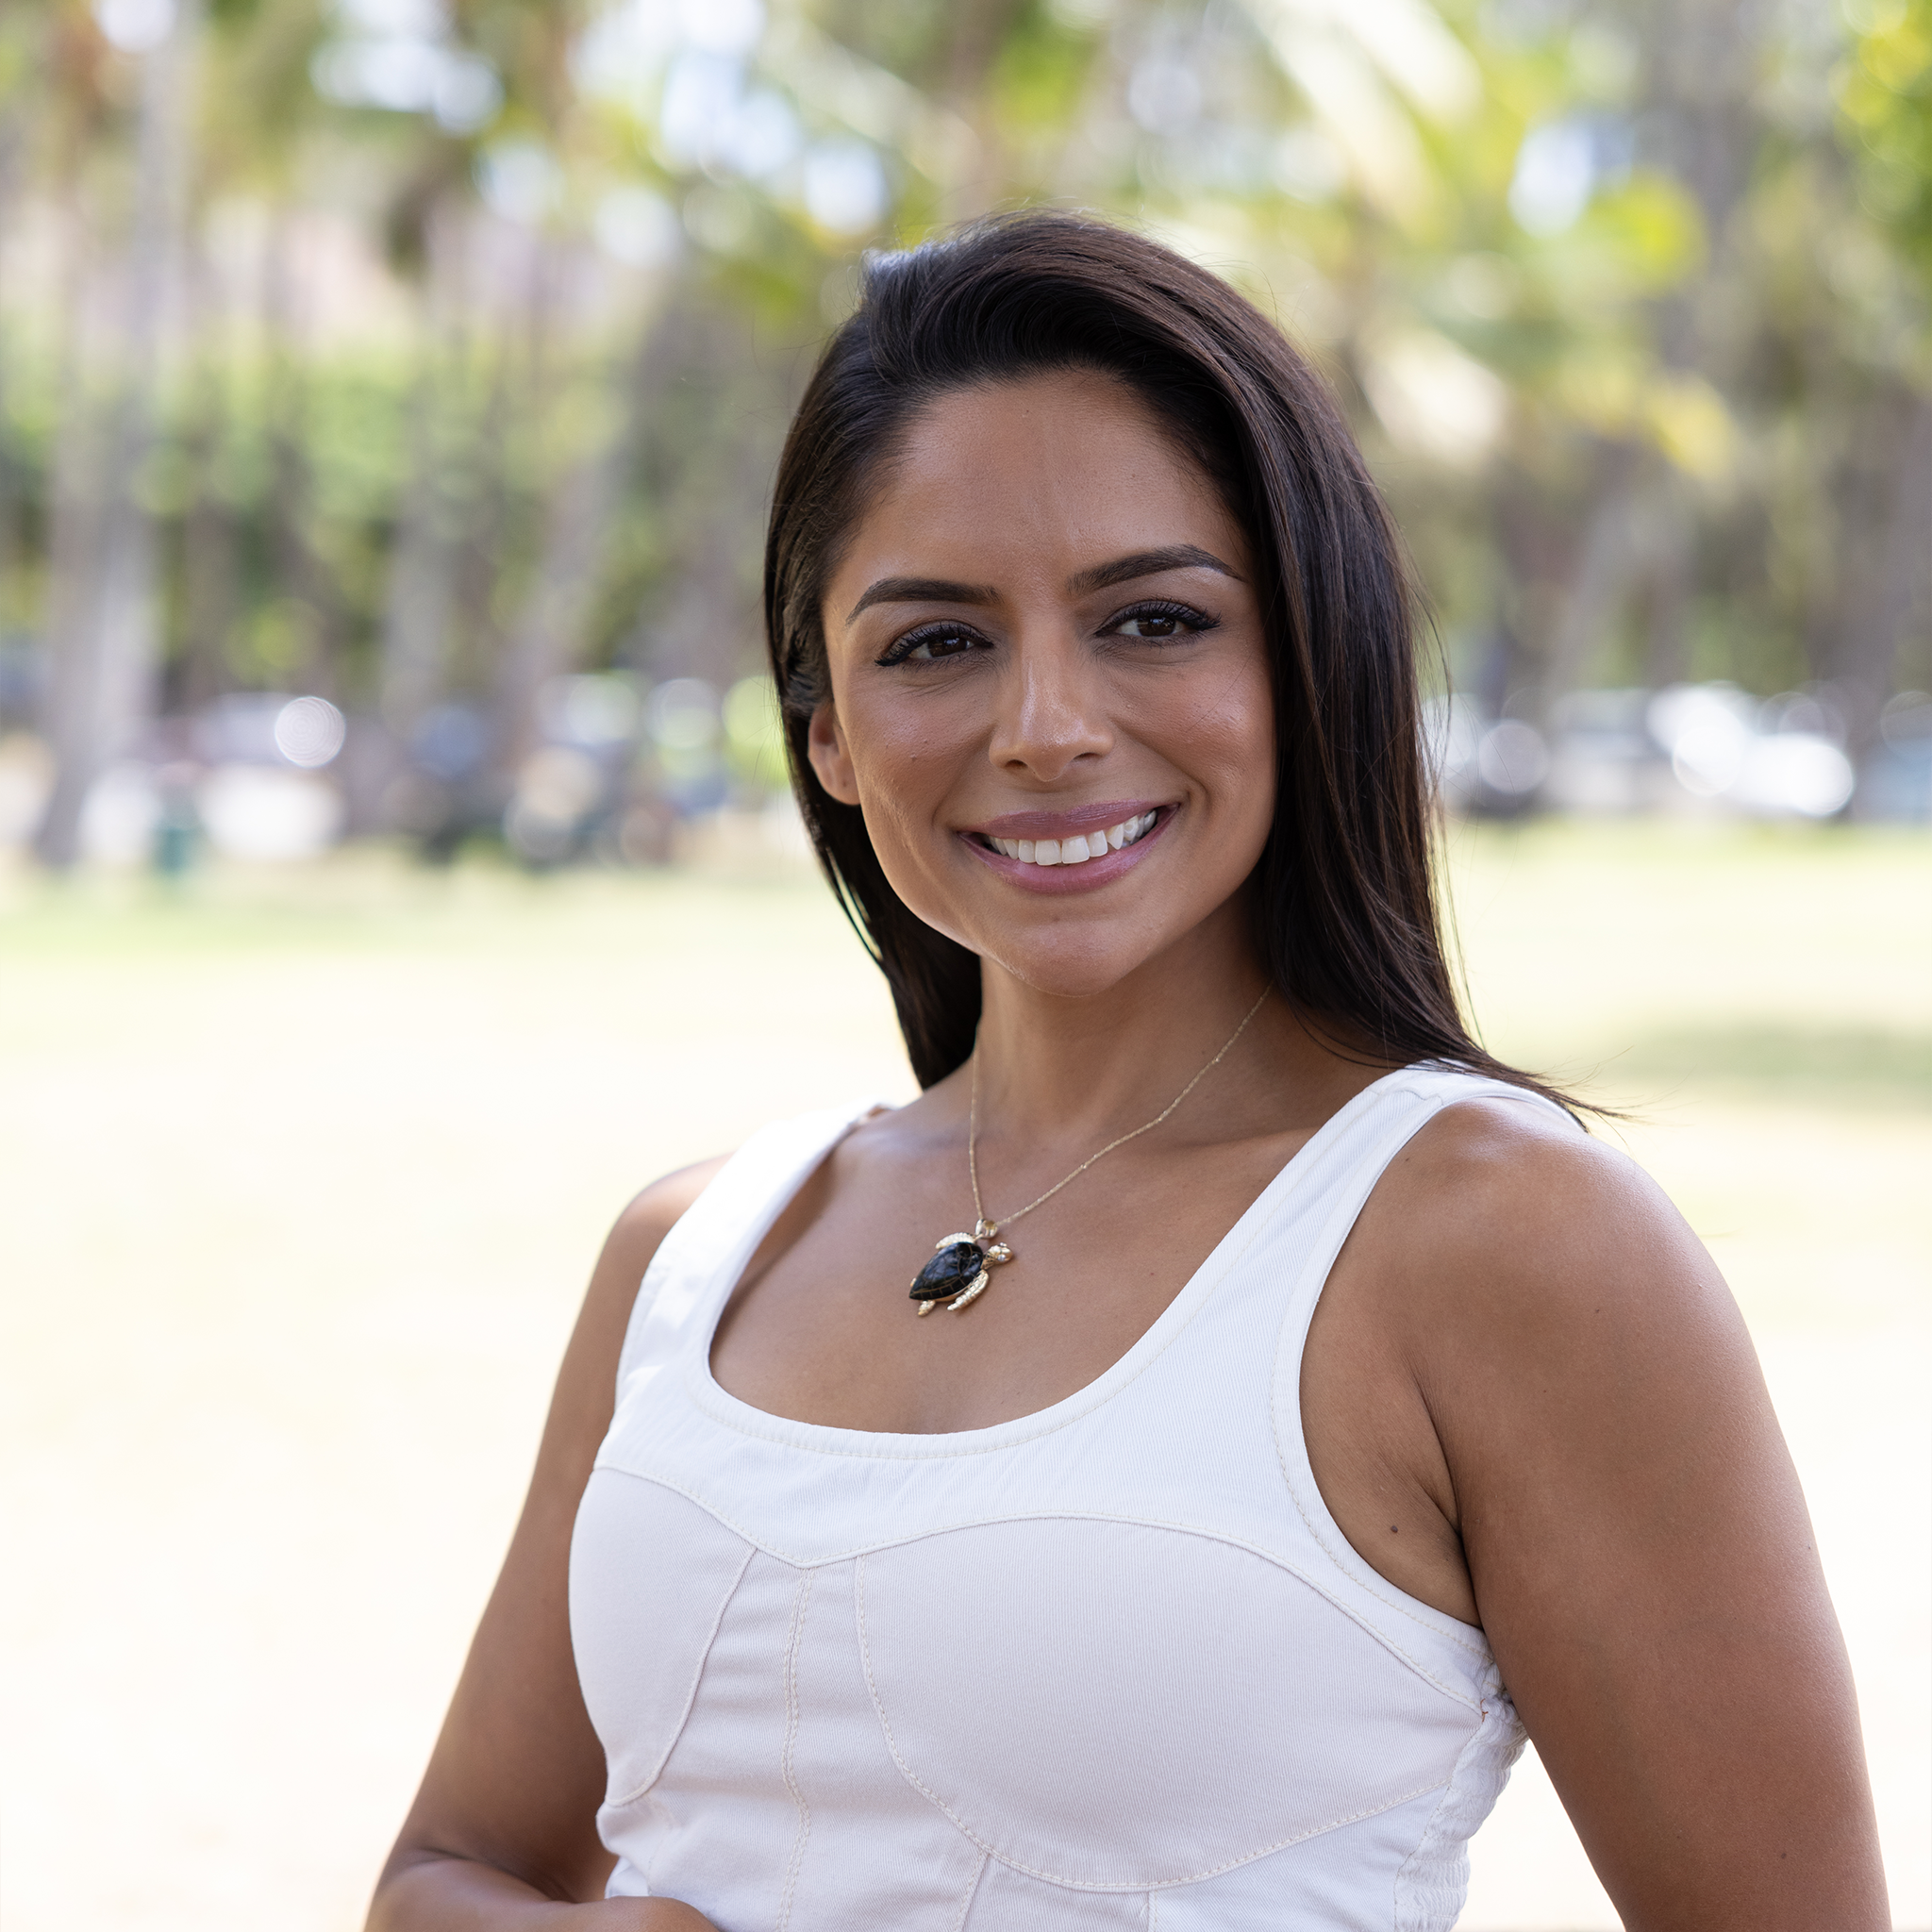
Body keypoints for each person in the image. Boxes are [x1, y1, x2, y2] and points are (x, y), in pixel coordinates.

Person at [367, 212, 1888, 1932]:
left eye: (1154, 620)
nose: (1048, 727)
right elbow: (444, 1879)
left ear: (1306, 665)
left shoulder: (1503, 1240)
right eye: (936, 643)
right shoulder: (697, 1250)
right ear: (827, 733)